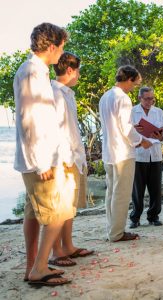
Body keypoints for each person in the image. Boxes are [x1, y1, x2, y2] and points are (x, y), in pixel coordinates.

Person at [13, 23, 70, 286]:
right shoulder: (31, 72)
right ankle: (38, 269)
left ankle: (33, 267)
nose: (62, 52)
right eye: (61, 47)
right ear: (51, 46)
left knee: (33, 214)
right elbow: (29, 120)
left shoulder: (38, 72)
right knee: (58, 212)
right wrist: (41, 162)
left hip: (43, 156)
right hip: (40, 159)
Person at [48, 52, 94, 267]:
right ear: (70, 70)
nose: (79, 75)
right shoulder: (55, 93)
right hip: (64, 157)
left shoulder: (67, 93)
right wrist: (64, 159)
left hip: (74, 156)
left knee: (69, 207)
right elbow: (56, 130)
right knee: (59, 207)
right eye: (78, 71)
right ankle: (56, 251)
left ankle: (68, 245)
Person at [99, 65, 152, 242]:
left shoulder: (105, 96)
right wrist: (141, 141)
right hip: (122, 152)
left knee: (111, 193)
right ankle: (117, 233)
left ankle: (111, 228)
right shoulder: (123, 98)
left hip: (108, 151)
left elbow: (111, 124)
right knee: (121, 194)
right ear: (129, 79)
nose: (133, 87)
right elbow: (126, 128)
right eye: (134, 84)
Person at [129, 87, 163, 228]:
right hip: (139, 155)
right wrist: (136, 134)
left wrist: (161, 136)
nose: (150, 101)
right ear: (140, 98)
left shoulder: (159, 112)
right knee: (137, 189)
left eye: (152, 98)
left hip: (155, 154)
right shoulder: (132, 111)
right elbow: (127, 131)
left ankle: (153, 216)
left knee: (156, 188)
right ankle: (135, 218)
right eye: (147, 98)